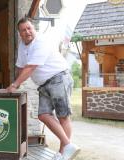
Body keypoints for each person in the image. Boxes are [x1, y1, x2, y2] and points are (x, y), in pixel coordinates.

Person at [6, 17, 80, 160]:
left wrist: (15, 85)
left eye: (29, 28)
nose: (27, 32)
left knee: (63, 116)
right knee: (43, 115)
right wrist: (14, 82)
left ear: (34, 29)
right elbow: (20, 67)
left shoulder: (41, 41)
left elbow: (31, 67)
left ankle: (63, 153)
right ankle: (68, 145)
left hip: (59, 77)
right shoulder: (22, 45)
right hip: (44, 84)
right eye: (23, 30)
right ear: (19, 33)